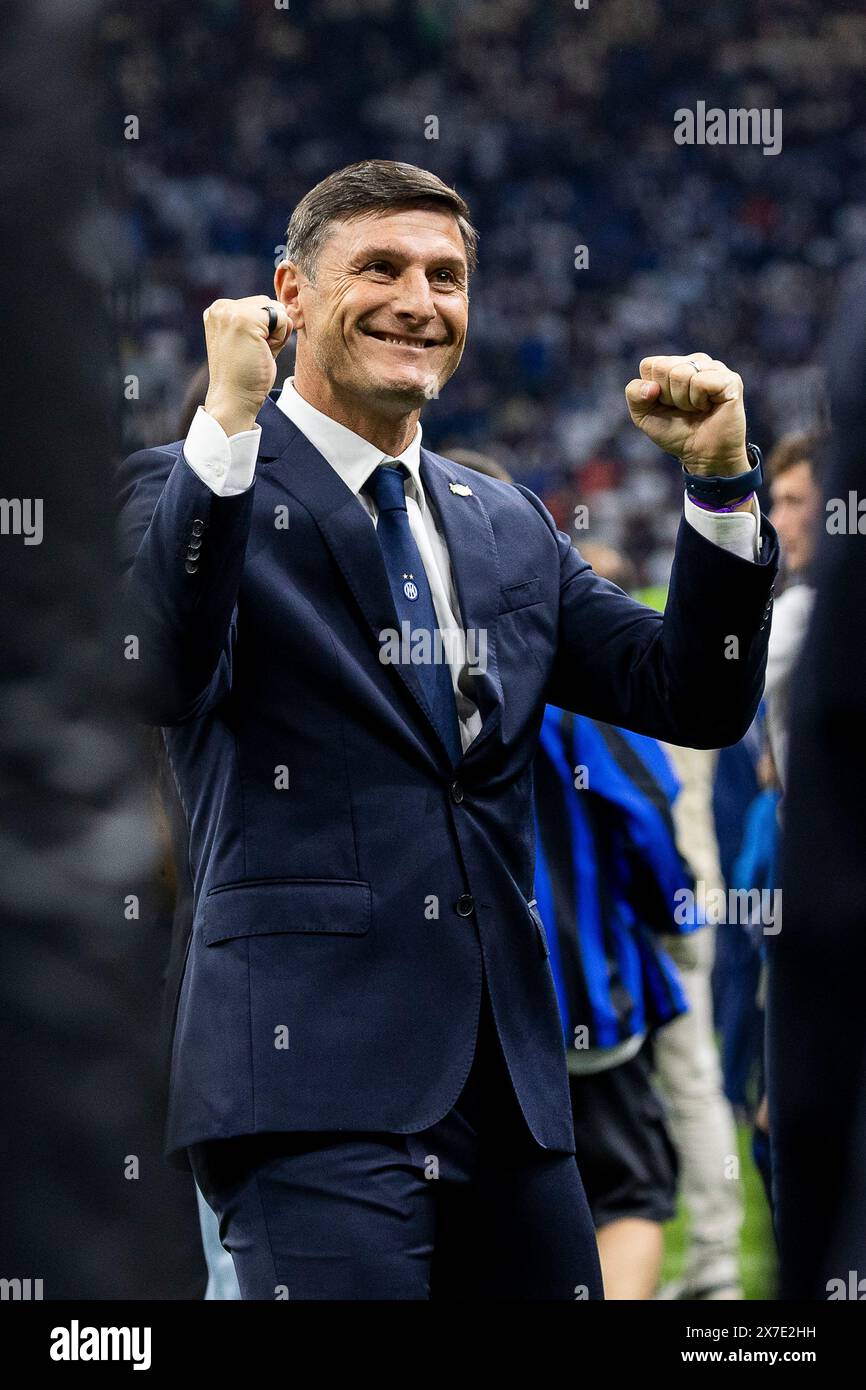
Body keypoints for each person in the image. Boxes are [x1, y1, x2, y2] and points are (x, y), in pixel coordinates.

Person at [117, 159, 778, 1300]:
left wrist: (718, 483)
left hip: (514, 1097)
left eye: (446, 276)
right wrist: (225, 420)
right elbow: (163, 673)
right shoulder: (191, 485)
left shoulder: (506, 521)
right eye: (377, 267)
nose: (417, 300)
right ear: (290, 291)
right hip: (305, 1086)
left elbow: (696, 698)